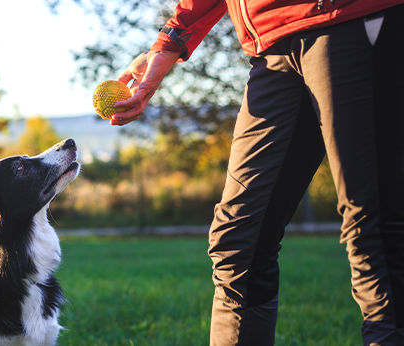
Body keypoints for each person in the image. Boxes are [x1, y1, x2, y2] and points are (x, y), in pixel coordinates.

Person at [111, 0, 404, 345]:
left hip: (350, 18)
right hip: (272, 46)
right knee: (238, 242)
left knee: (374, 226)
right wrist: (167, 45)